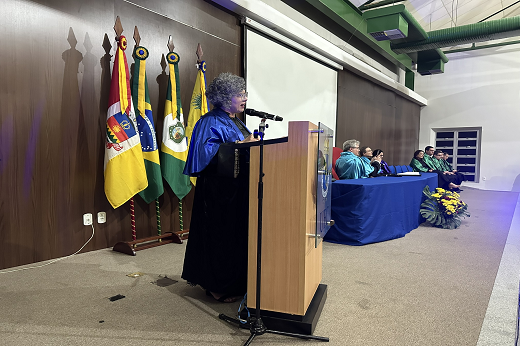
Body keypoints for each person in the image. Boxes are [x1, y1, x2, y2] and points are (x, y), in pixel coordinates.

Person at [182, 72, 258, 303]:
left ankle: (235, 281)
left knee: (235, 236)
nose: (245, 97)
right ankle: (217, 286)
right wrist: (239, 144)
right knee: (220, 236)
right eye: (240, 94)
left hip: (238, 189)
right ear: (225, 97)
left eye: (245, 93)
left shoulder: (236, 120)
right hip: (218, 192)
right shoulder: (209, 121)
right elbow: (206, 156)